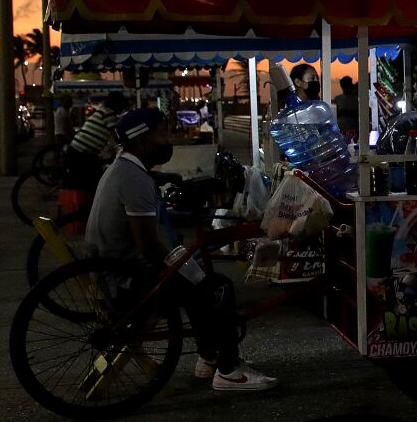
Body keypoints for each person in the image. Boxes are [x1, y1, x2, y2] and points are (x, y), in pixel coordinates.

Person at [87, 107, 277, 392]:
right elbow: (149, 246)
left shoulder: (122, 169)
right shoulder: (133, 179)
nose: (168, 140)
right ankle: (228, 370)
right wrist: (179, 267)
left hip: (110, 274)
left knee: (196, 277)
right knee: (216, 287)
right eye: (161, 135)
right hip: (126, 286)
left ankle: (208, 357)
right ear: (140, 141)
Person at [62, 90, 127, 193]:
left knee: (88, 179)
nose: (122, 109)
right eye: (122, 106)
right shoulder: (109, 114)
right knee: (95, 180)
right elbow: (117, 136)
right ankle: (90, 206)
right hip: (81, 154)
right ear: (117, 105)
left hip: (76, 150)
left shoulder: (102, 110)